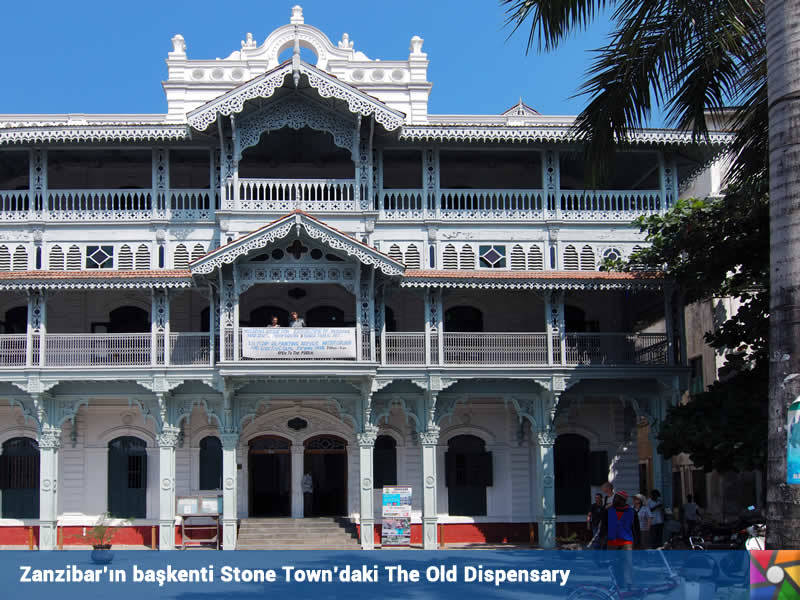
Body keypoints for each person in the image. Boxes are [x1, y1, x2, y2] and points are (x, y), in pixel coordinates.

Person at [606, 491, 639, 588]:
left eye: (617, 498)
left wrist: (638, 543)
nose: (615, 500)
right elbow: (603, 527)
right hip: (612, 541)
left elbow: (636, 529)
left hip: (626, 541)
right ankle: (617, 583)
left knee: (628, 562)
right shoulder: (609, 511)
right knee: (613, 563)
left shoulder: (631, 511)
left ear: (623, 500)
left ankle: (628, 582)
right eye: (615, 497)